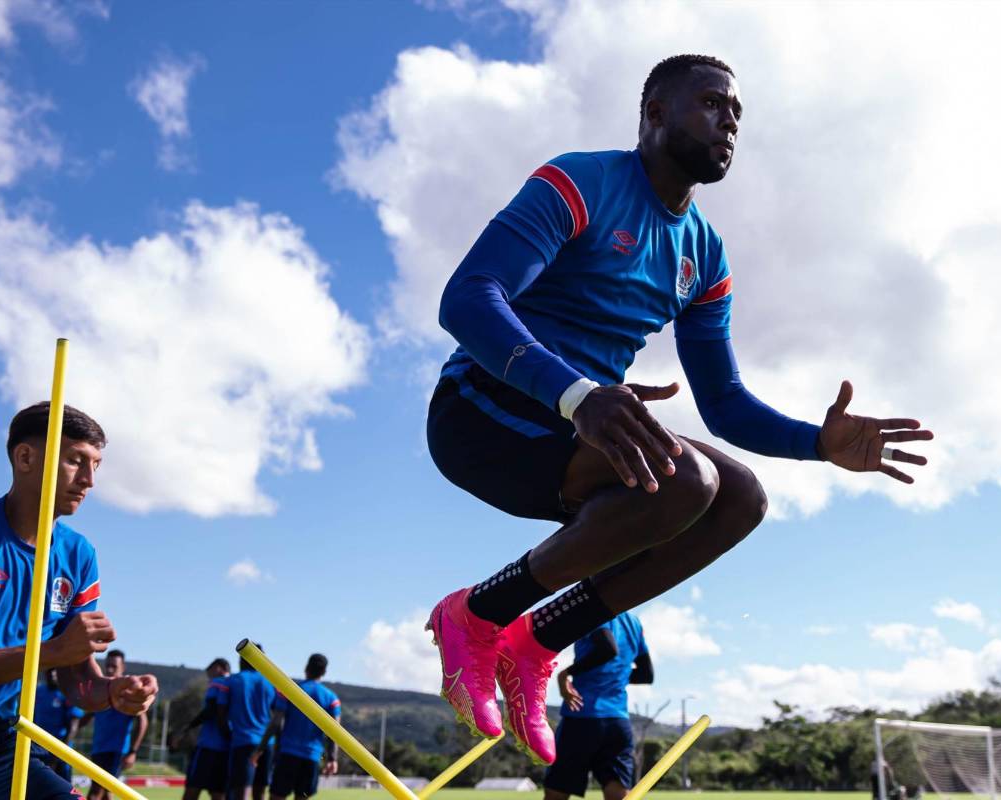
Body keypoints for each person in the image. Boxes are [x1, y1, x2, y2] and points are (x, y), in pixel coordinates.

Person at [424, 52, 934, 765]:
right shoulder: (581, 182)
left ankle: (536, 641)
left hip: (585, 432)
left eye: (736, 113)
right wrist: (578, 394)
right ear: (654, 113)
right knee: (688, 479)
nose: (729, 120)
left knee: (743, 499)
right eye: (712, 103)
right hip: (481, 416)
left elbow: (723, 403)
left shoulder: (705, 253)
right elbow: (468, 296)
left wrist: (819, 443)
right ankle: (476, 616)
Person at [0, 402, 159, 799]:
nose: (89, 480)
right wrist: (53, 651)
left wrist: (113, 692)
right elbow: (55, 654)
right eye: (76, 461)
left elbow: (76, 676)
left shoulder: (78, 555)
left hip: (2, 742)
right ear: (25, 457)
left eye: (97, 465)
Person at [545, 613, 652, 800]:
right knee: (617, 793)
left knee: (556, 791)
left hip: (581, 717)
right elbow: (646, 673)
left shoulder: (595, 610)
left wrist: (566, 674)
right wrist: (616, 676)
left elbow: (608, 648)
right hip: (618, 722)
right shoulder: (634, 623)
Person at [258, 653, 340, 800]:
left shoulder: (290, 690)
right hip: (312, 756)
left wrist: (261, 748)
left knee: (277, 796)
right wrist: (332, 759)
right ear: (324, 672)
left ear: (306, 668)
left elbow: (276, 722)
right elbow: (335, 731)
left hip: (288, 753)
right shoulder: (331, 698)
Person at [86, 649, 150, 800]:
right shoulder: (101, 690)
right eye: (107, 665)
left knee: (96, 791)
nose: (109, 669)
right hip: (98, 749)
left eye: (114, 666)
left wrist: (133, 751)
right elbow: (88, 714)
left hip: (116, 751)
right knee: (106, 792)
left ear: (122, 668)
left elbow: (142, 721)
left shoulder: (128, 691)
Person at [219, 645, 275, 800]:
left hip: (243, 741)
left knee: (242, 791)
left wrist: (228, 735)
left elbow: (221, 713)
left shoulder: (231, 681)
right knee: (260, 792)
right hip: (266, 743)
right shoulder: (270, 683)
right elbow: (278, 716)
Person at [181, 657, 232, 800]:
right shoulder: (235, 684)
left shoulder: (218, 683)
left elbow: (210, 710)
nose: (209, 677)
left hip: (209, 746)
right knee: (218, 793)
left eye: (210, 672)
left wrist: (188, 727)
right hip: (228, 748)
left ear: (219, 668)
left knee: (192, 789)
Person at [33, 668, 85, 782]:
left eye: (55, 670)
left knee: (63, 790)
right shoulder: (38, 692)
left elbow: (73, 727)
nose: (52, 674)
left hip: (61, 753)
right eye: (49, 670)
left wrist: (57, 754)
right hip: (39, 751)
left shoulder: (68, 694)